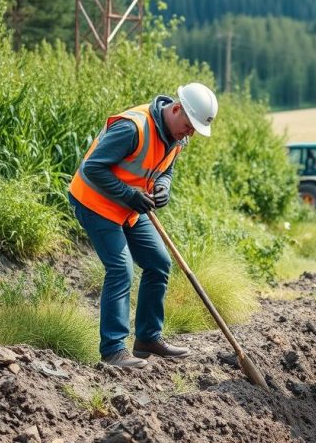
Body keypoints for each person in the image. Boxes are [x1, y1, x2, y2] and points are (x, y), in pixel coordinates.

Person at [68, 83, 218, 368]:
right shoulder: (132, 127)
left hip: (129, 209)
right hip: (95, 203)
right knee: (121, 269)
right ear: (176, 109)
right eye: (188, 126)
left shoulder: (176, 135)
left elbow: (167, 168)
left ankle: (148, 337)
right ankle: (113, 350)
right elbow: (92, 167)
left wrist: (163, 185)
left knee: (159, 263)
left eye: (194, 130)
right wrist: (129, 195)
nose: (189, 134)